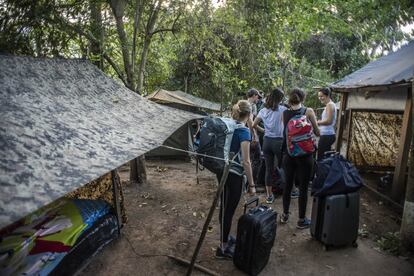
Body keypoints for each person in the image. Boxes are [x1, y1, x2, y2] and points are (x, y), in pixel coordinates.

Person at [216, 100, 256, 259]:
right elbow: (246, 161)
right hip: (234, 175)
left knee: (224, 208)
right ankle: (223, 247)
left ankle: (224, 240)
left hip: (221, 171)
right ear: (249, 114)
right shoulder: (243, 131)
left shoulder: (227, 125)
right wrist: (252, 184)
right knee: (229, 210)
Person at [280, 88, 320, 229]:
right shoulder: (308, 111)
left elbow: (284, 134)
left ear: (290, 99)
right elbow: (317, 132)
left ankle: (285, 215)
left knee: (288, 185)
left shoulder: (284, 113)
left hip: (289, 155)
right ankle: (302, 220)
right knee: (303, 188)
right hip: (305, 156)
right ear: (303, 98)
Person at [252, 88, 287, 204]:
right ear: (280, 99)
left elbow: (253, 125)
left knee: (269, 168)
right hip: (279, 141)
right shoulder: (283, 110)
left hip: (267, 141)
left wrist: (264, 130)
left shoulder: (263, 110)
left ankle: (269, 195)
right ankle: (289, 190)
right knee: (285, 166)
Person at [317, 87, 337, 160]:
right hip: (327, 134)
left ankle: (322, 171)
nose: (320, 98)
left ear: (327, 95)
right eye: (319, 96)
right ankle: (325, 171)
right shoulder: (330, 105)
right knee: (325, 158)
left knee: (321, 158)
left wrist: (318, 122)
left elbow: (329, 121)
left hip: (327, 135)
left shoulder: (329, 105)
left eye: (321, 96)